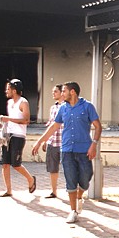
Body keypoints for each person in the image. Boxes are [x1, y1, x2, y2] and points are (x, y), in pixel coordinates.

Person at [32, 81, 102, 224]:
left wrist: (93, 145)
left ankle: (79, 197)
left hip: (84, 150)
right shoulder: (62, 109)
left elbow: (98, 126)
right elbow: (54, 127)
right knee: (70, 180)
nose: (61, 94)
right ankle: (73, 211)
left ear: (72, 92)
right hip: (67, 150)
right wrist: (39, 141)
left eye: (64, 91)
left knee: (86, 177)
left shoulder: (87, 106)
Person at [0, 79, 36, 197]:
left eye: (8, 89)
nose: (6, 91)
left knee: (16, 164)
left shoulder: (23, 102)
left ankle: (31, 180)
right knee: (5, 163)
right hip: (8, 135)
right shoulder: (9, 103)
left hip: (18, 136)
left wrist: (7, 119)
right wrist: (3, 123)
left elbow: (26, 120)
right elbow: (11, 118)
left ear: (14, 90)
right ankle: (8, 190)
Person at [43, 84, 64, 198]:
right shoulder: (53, 108)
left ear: (61, 93)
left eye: (55, 91)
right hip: (53, 141)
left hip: (64, 141)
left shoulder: (67, 107)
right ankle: (54, 191)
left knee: (69, 167)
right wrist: (46, 140)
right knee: (52, 167)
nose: (53, 93)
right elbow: (51, 125)